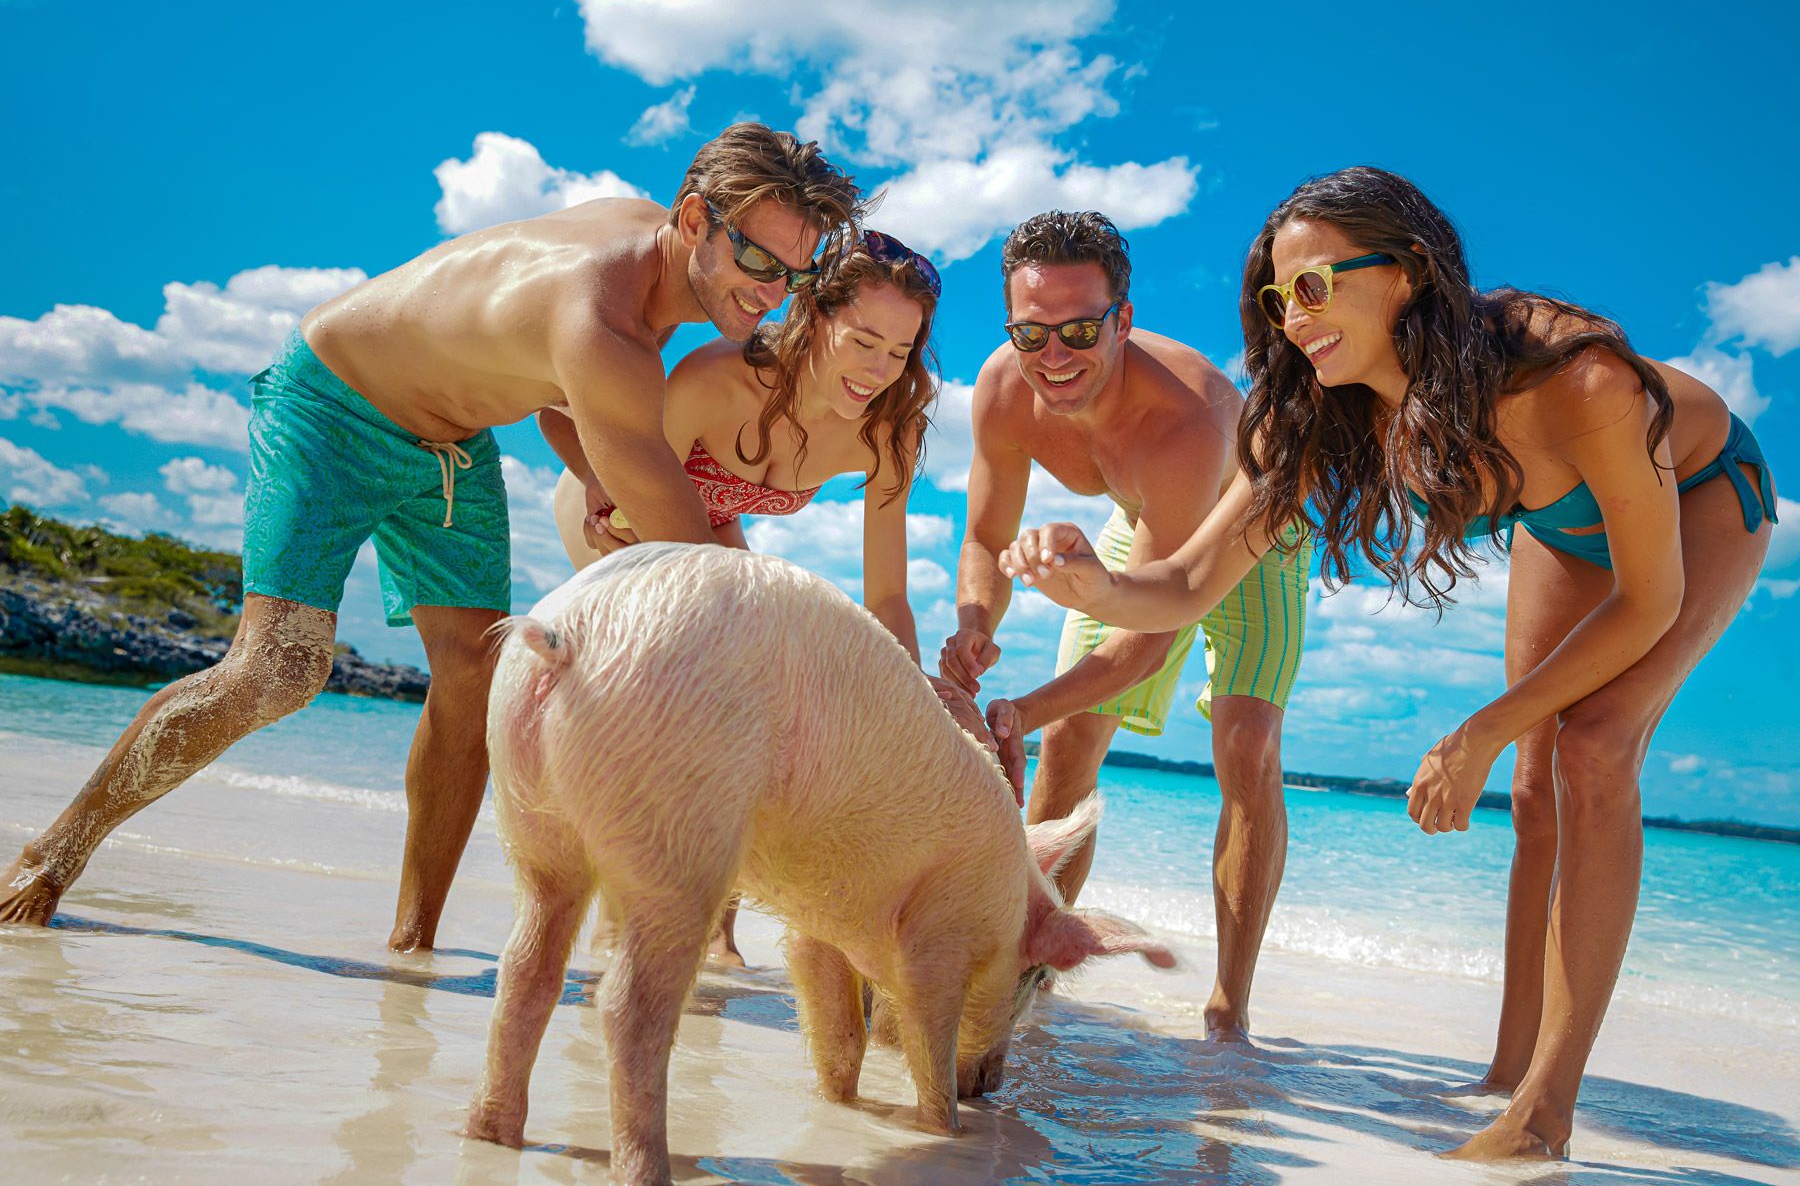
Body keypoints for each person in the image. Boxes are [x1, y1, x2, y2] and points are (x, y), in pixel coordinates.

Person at [1000, 167, 1776, 1159]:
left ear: (1406, 271)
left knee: (1589, 752)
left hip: (1701, 496)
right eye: (1279, 300)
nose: (1294, 319)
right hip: (1558, 517)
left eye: (1316, 287)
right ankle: (1504, 1073)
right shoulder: (1321, 412)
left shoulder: (1579, 380)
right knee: (1534, 797)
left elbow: (1649, 601)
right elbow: (1191, 583)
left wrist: (1479, 730)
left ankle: (1543, 1115)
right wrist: (1092, 590)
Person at [0, 123, 862, 952]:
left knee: (473, 673)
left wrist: (605, 470)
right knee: (280, 670)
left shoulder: (653, 286)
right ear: (693, 219)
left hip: (452, 443)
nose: (775, 292)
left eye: (798, 270)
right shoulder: (601, 312)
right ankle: (53, 853)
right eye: (757, 259)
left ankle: (412, 944)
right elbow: (697, 558)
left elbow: (558, 394)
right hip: (332, 405)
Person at [938, 210, 1310, 1041]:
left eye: (1079, 329)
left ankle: (1229, 1007)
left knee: (1246, 746)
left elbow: (1147, 637)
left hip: (1259, 533)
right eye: (1032, 333)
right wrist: (974, 626)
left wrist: (1019, 712)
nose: (1054, 355)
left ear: (1123, 320)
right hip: (1146, 524)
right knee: (1071, 744)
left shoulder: (1186, 417)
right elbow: (987, 539)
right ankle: (1026, 957)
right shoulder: (1005, 385)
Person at [545, 229, 964, 963]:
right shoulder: (719, 379)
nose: (879, 370)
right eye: (864, 340)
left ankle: (717, 929)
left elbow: (890, 595)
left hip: (711, 529)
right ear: (814, 313)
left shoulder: (889, 427)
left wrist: (907, 702)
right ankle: (624, 912)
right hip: (619, 515)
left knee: (757, 715)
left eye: (899, 352)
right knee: (677, 702)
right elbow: (628, 495)